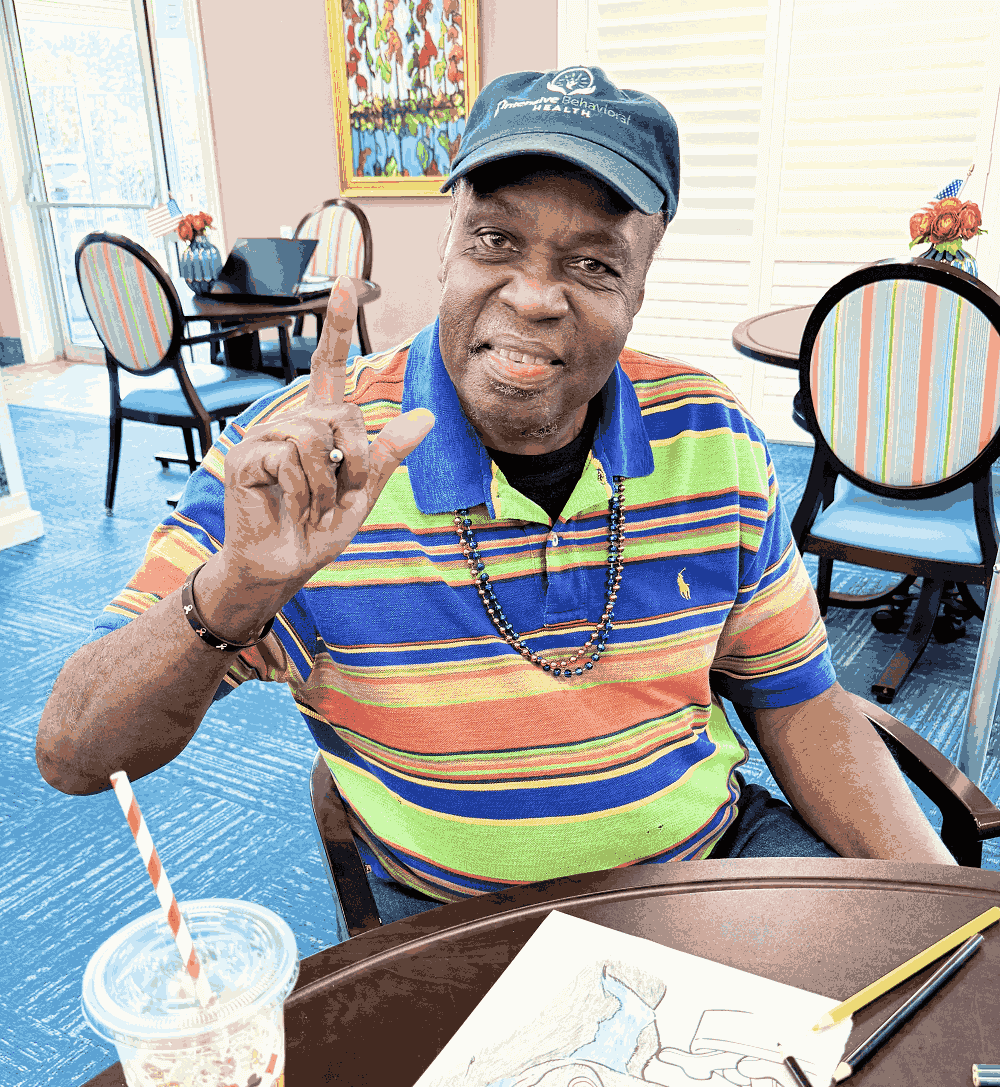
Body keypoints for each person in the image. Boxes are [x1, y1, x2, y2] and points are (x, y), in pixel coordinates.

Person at [36, 67, 955, 924]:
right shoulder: (301, 463)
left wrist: (952, 911)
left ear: (641, 282)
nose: (535, 295)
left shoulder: (710, 435)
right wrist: (238, 585)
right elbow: (74, 751)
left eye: (594, 264)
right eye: (495, 240)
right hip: (464, 917)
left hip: (707, 865)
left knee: (903, 1032)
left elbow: (795, 697)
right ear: (447, 243)